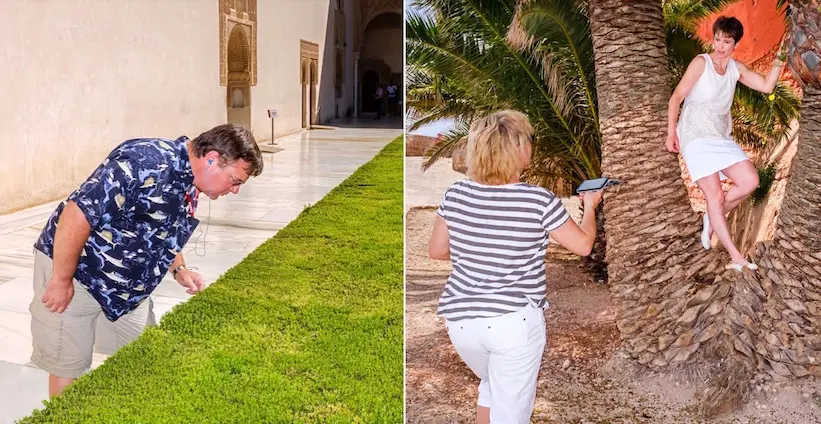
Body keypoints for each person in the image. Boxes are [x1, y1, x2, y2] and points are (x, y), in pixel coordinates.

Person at [29, 124, 263, 397]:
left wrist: (179, 269)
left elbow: (161, 228)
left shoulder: (193, 179)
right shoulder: (143, 161)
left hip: (129, 289)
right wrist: (60, 279)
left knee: (144, 359)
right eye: (235, 180)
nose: (234, 190)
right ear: (211, 159)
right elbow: (77, 214)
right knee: (68, 365)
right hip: (77, 272)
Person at [428, 110, 603, 424]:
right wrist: (589, 207)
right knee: (512, 415)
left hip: (462, 325)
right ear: (517, 151)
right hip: (513, 324)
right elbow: (583, 245)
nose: (531, 148)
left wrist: (480, 250)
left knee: (492, 386)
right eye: (527, 142)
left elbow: (437, 251)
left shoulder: (456, 194)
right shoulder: (538, 200)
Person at [666, 16, 786, 272]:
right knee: (715, 194)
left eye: (726, 41)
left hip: (720, 136)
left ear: (734, 44)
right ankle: (736, 256)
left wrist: (780, 58)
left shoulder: (735, 68)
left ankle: (713, 215)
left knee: (750, 181)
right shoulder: (702, 63)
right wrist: (671, 133)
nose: (720, 46)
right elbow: (676, 97)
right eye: (717, 39)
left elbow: (766, 86)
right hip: (695, 134)